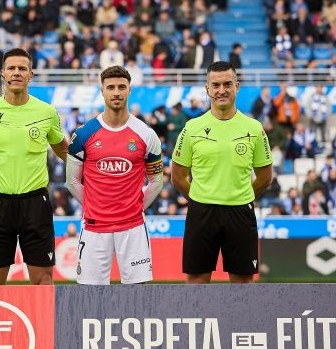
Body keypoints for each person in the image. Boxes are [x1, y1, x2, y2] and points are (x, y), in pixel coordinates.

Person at [0, 48, 68, 285]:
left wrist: (89, 174)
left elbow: (64, 150)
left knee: (43, 280)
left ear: (31, 74)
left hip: (35, 203)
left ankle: (42, 323)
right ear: (2, 73)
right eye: (11, 68)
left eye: (22, 68)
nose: (16, 73)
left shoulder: (46, 112)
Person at [171, 61, 273, 284]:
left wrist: (241, 195)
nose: (221, 90)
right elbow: (177, 176)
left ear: (237, 86)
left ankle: (241, 321)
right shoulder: (192, 128)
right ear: (207, 89)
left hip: (240, 212)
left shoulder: (254, 128)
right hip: (201, 212)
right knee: (197, 281)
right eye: (215, 85)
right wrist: (201, 197)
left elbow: (265, 177)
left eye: (227, 84)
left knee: (243, 284)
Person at [65, 66, 164, 285]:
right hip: (93, 227)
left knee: (138, 294)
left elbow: (157, 180)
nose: (116, 92)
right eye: (110, 87)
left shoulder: (147, 134)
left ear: (130, 90)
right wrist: (94, 206)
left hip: (133, 226)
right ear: (102, 91)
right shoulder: (83, 134)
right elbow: (71, 181)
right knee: (90, 296)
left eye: (121, 87)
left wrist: (136, 206)